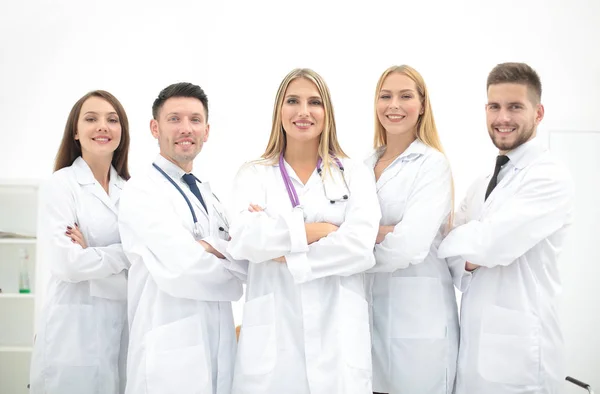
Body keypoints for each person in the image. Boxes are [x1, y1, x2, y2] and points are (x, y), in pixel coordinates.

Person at [227, 68, 381, 394]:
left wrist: (282, 250)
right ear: (278, 110)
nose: (303, 111)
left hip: (338, 343)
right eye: (292, 101)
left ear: (327, 112)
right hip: (273, 347)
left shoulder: (353, 174)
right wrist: (319, 231)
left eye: (314, 102)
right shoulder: (254, 174)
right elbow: (245, 239)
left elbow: (359, 247)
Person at [438, 62, 574, 394]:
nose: (503, 118)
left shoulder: (549, 176)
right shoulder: (482, 183)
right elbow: (455, 264)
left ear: (538, 113)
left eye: (515, 107)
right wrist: (468, 252)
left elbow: (489, 246)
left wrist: (467, 245)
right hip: (474, 352)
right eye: (495, 107)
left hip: (522, 360)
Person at [118, 83, 246, 394]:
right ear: (154, 127)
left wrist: (214, 251)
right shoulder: (141, 190)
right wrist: (232, 274)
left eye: (195, 120)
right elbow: (184, 267)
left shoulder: (207, 192)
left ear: (207, 130)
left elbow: (243, 257)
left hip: (218, 344)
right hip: (168, 352)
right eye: (174, 119)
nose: (186, 129)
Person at [365, 65, 459, 394]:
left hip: (420, 326)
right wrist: (380, 232)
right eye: (385, 96)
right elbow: (343, 229)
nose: (394, 105)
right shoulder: (362, 166)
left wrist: (351, 249)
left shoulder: (432, 164)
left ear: (422, 105)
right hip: (369, 327)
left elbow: (410, 246)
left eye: (406, 96)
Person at [30, 90, 131, 394]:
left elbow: (146, 267)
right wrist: (124, 255)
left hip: (121, 337)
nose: (103, 126)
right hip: (71, 341)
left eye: (112, 120)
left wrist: (93, 253)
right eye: (91, 119)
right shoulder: (61, 186)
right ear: (75, 132)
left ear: (121, 132)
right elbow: (68, 265)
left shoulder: (132, 193)